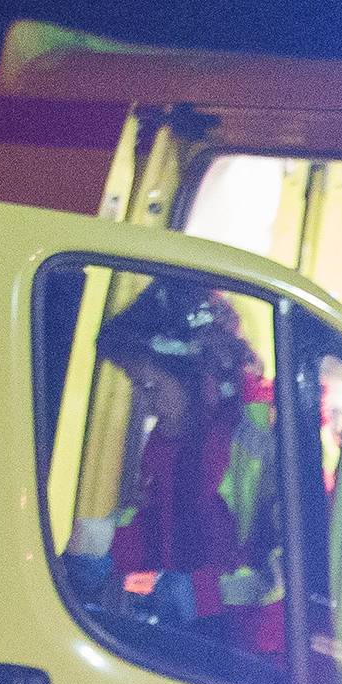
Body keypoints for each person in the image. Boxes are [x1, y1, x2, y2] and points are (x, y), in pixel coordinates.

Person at [70, 281, 281, 657]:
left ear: (195, 373)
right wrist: (101, 548)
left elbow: (288, 578)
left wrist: (199, 593)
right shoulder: (171, 437)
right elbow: (150, 523)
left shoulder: (268, 432)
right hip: (188, 642)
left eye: (150, 386)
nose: (147, 406)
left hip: (251, 657)